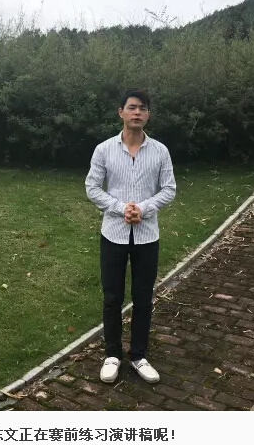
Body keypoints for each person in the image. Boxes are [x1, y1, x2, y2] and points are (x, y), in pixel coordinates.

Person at [85, 88, 176, 384]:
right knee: (112, 296)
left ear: (148, 115)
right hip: (113, 234)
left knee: (143, 297)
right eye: (132, 107)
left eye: (143, 108)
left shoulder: (160, 151)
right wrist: (121, 208)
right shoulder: (104, 150)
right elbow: (92, 187)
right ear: (121, 112)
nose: (137, 112)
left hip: (147, 236)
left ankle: (138, 355)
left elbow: (169, 189)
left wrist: (144, 209)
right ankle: (112, 354)